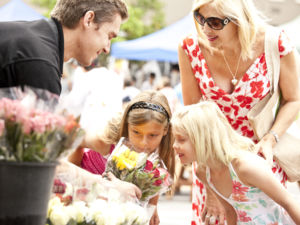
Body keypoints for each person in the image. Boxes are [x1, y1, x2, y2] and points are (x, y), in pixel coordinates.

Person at [178, 0, 300, 224]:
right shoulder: (190, 48)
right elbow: (193, 119)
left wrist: (270, 139)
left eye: (214, 22)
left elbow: (293, 100)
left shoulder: (276, 42)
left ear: (238, 20)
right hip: (212, 164)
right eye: (200, 18)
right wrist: (210, 187)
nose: (205, 29)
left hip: (259, 159)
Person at [171, 101, 300, 225]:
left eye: (181, 140)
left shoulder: (245, 166)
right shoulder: (203, 172)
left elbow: (288, 202)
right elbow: (230, 211)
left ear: (204, 139)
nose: (174, 146)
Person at [69, 90, 175, 225]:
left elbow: (157, 174)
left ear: (165, 131)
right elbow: (77, 141)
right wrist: (74, 185)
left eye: (153, 135)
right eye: (136, 132)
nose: (144, 142)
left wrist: (152, 206)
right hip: (89, 199)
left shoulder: (161, 148)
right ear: (127, 125)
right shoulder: (106, 141)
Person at [0, 0, 128, 96]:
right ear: (88, 19)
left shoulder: (29, 37)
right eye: (109, 36)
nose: (107, 49)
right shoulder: (42, 63)